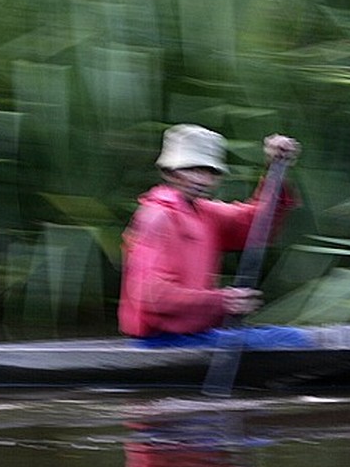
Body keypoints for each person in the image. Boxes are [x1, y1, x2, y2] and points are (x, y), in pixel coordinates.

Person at [118, 124, 301, 341]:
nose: (202, 180)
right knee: (290, 340)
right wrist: (223, 301)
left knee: (287, 337)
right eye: (193, 169)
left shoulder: (204, 212)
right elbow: (151, 295)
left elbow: (258, 226)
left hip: (196, 334)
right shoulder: (156, 217)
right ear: (170, 171)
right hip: (163, 340)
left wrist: (275, 170)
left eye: (210, 172)